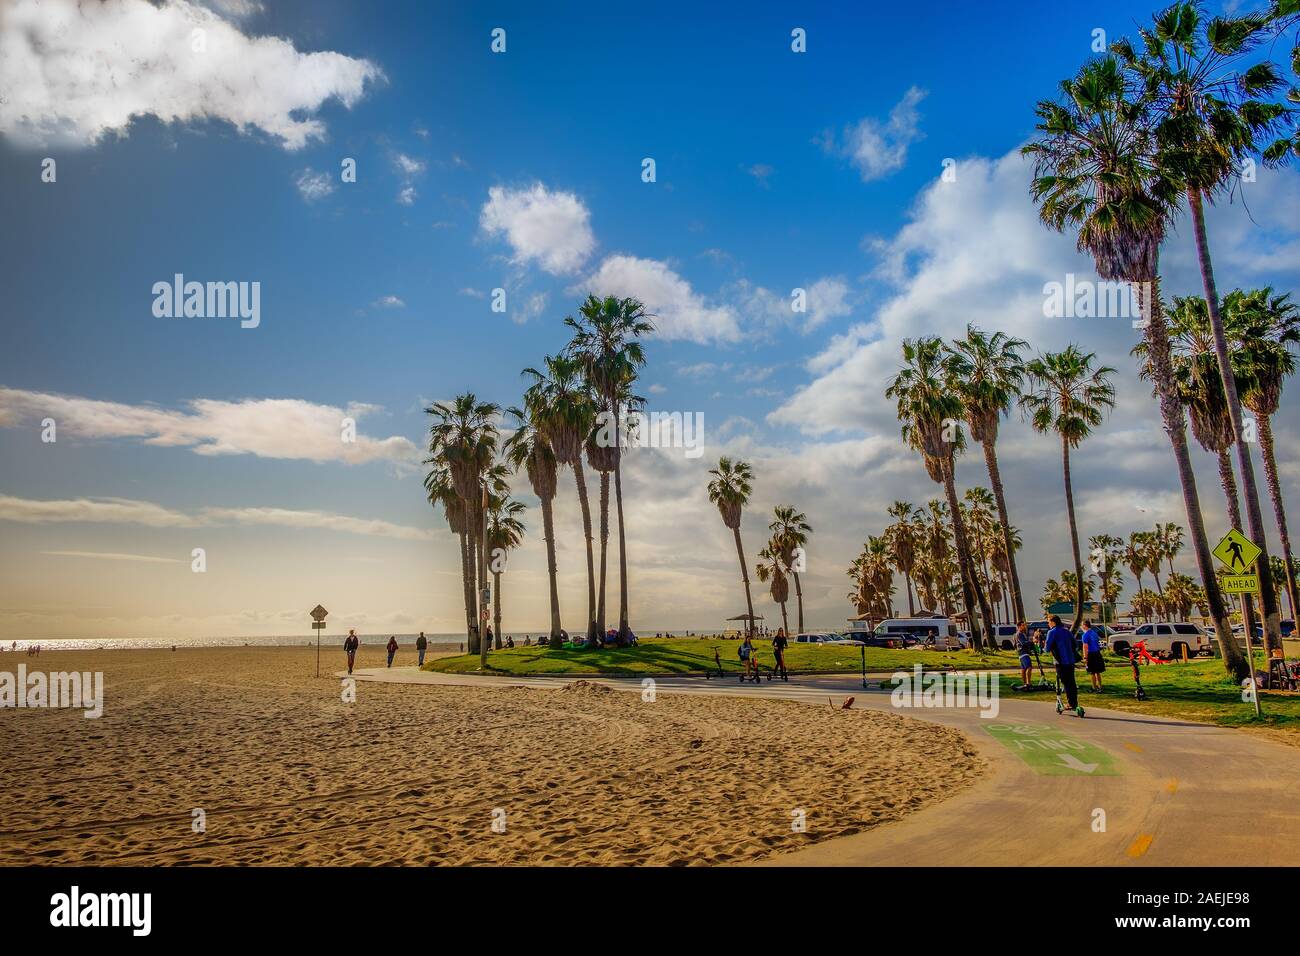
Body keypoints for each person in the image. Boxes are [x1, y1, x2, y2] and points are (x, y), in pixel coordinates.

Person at [1044, 614, 1083, 716]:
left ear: (1053, 622)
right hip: (1070, 660)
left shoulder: (1052, 632)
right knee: (1071, 682)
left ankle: (1071, 704)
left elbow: (1047, 648)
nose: (1048, 623)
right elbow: (1075, 645)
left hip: (1060, 661)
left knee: (1065, 682)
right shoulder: (1066, 631)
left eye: (1048, 621)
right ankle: (1074, 703)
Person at [1082, 619, 1106, 691]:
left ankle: (1094, 687)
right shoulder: (1094, 633)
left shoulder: (1085, 635)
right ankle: (1100, 686)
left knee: (1092, 671)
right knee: (1098, 671)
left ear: (1085, 626)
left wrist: (1085, 657)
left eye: (1082, 625)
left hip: (1091, 653)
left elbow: (1085, 647)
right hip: (1097, 653)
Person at [1015, 621, 1034, 689]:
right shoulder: (1019, 634)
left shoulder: (1022, 633)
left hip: (1022, 653)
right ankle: (1028, 683)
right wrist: (1031, 642)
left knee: (1024, 669)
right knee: (1029, 667)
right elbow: (1023, 643)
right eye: (1023, 625)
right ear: (1019, 626)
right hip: (1023, 653)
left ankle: (1025, 684)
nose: (1024, 626)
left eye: (1024, 625)